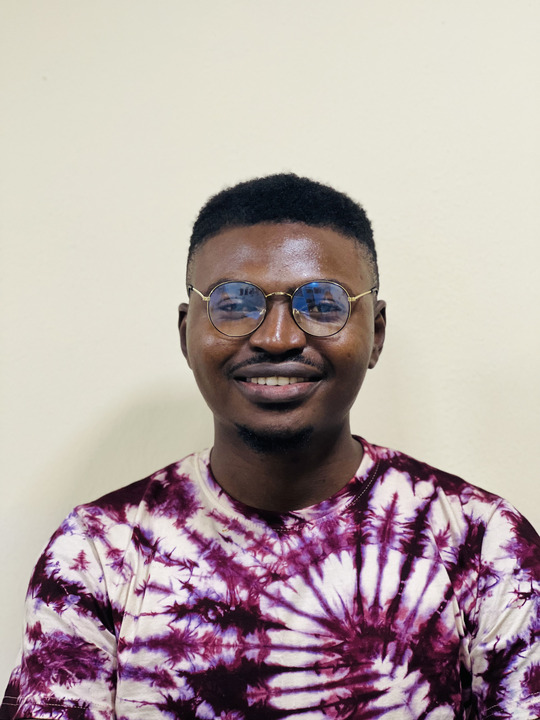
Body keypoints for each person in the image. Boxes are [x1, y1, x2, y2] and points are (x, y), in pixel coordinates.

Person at [1, 174, 539, 720]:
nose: (277, 338)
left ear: (375, 334)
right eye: (234, 304)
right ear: (186, 333)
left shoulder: (483, 546)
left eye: (323, 305)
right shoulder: (98, 554)